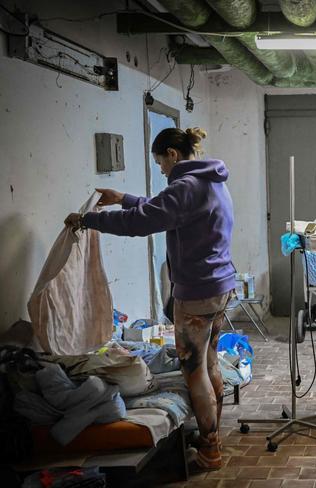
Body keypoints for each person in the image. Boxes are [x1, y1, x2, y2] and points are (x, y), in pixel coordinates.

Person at [65, 127, 235, 469]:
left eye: (160, 162)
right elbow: (162, 210)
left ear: (172, 154)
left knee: (194, 371)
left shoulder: (184, 186)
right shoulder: (212, 180)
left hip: (197, 293)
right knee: (211, 362)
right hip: (220, 286)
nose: (161, 169)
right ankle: (214, 435)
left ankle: (210, 451)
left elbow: (142, 222)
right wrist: (123, 198)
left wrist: (89, 220)